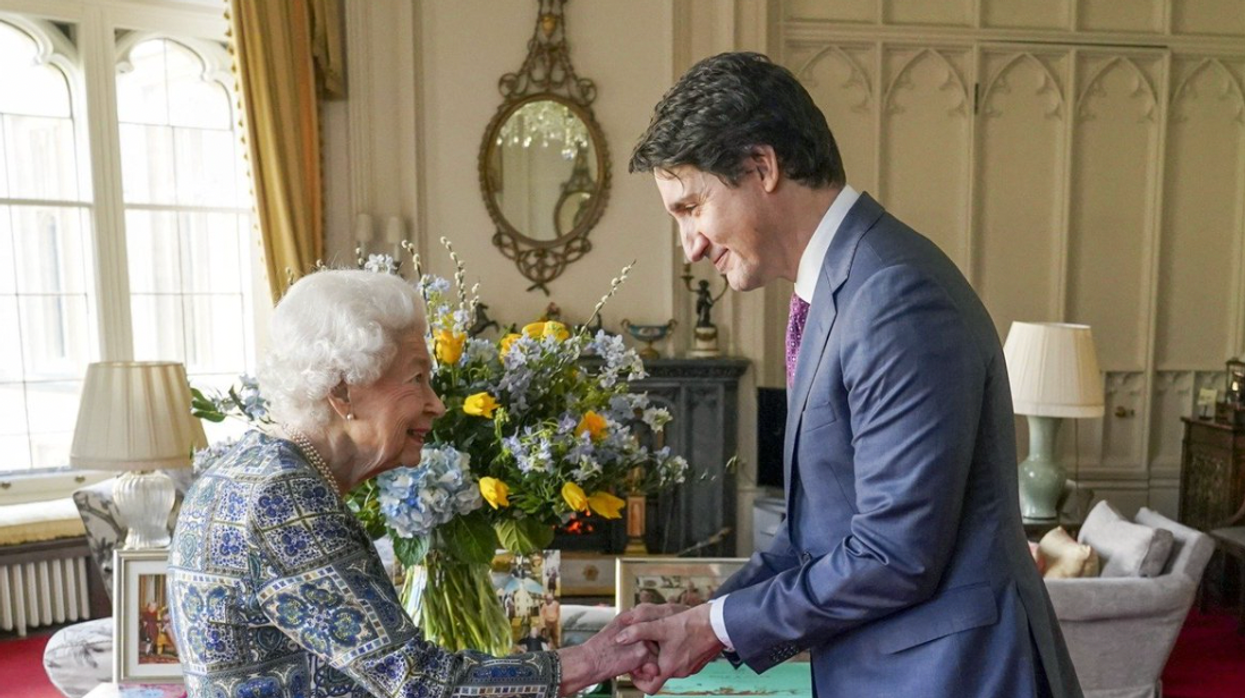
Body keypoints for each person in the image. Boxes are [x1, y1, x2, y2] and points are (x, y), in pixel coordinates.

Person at [616, 52, 1082, 698]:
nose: (689, 246)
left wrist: (713, 627)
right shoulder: (842, 286)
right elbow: (815, 538)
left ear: (761, 166)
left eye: (691, 207)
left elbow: (894, 556)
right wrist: (699, 619)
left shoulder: (894, 294)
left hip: (956, 677)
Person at [167, 269, 655, 698]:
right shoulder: (284, 498)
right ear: (342, 392)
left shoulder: (249, 469)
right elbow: (417, 681)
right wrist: (591, 661)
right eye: (418, 379)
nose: (438, 404)